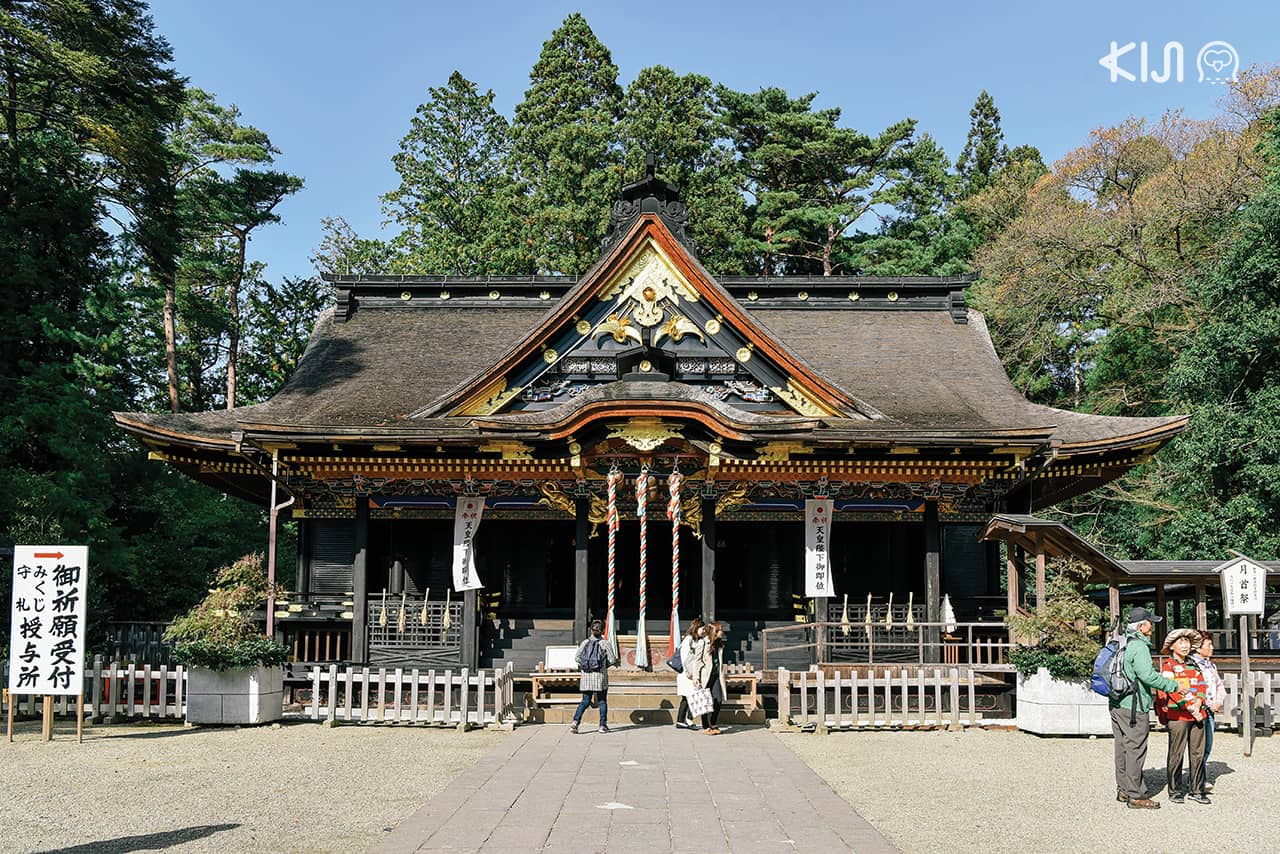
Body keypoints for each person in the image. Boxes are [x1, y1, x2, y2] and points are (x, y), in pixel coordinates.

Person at [1110, 606, 1181, 810]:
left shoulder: (1121, 641)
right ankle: (1136, 795)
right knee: (1136, 749)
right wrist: (1174, 686)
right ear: (1141, 626)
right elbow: (1147, 676)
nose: (1153, 626)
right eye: (1150, 622)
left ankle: (1124, 789)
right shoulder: (1139, 646)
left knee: (1122, 747)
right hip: (1133, 706)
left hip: (1117, 703)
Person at [1156, 628, 1210, 804]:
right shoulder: (1168, 666)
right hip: (1177, 715)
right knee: (1176, 753)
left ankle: (1197, 789)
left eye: (1187, 642)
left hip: (1197, 713)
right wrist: (1189, 706)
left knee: (1198, 753)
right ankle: (1175, 790)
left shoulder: (1194, 665)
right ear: (1172, 646)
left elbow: (1202, 685)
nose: (1185, 645)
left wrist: (1199, 703)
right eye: (1181, 642)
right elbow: (1170, 690)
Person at [569, 619, 617, 734]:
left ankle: (575, 722)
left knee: (585, 701)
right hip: (600, 676)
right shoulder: (605, 643)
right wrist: (603, 666)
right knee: (602, 701)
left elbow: (577, 658)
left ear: (591, 629)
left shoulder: (585, 643)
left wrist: (586, 666)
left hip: (586, 677)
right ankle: (602, 725)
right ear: (603, 630)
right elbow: (612, 659)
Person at [1191, 634, 1225, 792]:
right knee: (1200, 746)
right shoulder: (1192, 665)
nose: (1212, 648)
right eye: (1209, 645)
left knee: (1207, 746)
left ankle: (1199, 778)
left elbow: (1219, 685)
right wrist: (1209, 703)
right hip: (1199, 709)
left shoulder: (1211, 665)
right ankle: (1199, 780)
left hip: (1211, 709)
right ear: (1198, 647)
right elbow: (1195, 688)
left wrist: (1219, 701)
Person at [687, 621, 727, 735]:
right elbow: (697, 661)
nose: (721, 632)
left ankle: (713, 723)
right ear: (714, 632)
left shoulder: (719, 644)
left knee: (718, 700)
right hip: (705, 676)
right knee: (705, 701)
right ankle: (706, 726)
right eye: (719, 630)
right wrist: (696, 677)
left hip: (716, 676)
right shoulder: (702, 643)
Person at [674, 618, 705, 729]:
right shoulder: (689, 639)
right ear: (696, 628)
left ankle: (682, 720)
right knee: (690, 697)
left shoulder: (698, 640)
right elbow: (685, 657)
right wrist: (688, 672)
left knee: (689, 697)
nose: (703, 630)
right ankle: (688, 720)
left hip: (692, 672)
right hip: (687, 673)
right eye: (702, 628)